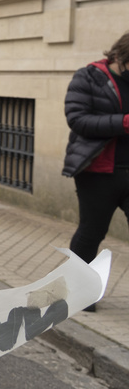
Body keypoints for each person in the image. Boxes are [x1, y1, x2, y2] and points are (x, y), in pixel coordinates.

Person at [63, 32, 129, 294]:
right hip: (98, 172)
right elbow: (77, 119)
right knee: (92, 233)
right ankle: (79, 292)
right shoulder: (89, 76)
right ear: (121, 56)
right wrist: (124, 123)